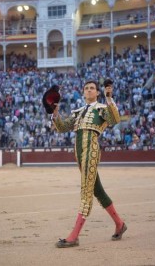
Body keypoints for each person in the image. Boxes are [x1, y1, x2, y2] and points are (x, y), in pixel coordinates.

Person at [52, 79, 127, 248]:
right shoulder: (78, 111)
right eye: (86, 88)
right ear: (83, 92)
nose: (89, 90)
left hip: (91, 151)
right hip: (79, 154)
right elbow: (62, 127)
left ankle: (74, 236)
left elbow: (115, 119)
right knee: (97, 190)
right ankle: (120, 224)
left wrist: (109, 98)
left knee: (86, 190)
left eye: (92, 88)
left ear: (97, 92)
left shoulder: (101, 109)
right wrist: (55, 111)